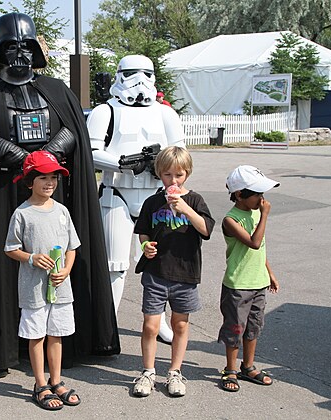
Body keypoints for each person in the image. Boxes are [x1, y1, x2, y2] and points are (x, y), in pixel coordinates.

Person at [0, 12, 120, 378]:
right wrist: (17, 156)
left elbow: (74, 132)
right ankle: (3, 345)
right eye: (12, 47)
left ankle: (58, 342)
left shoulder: (57, 91)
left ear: (36, 50)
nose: (20, 54)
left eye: (27, 46)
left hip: (51, 192)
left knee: (52, 259)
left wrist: (47, 156)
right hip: (3, 196)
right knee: (6, 262)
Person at [87, 55, 185, 343]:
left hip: (157, 195)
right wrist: (123, 163)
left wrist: (160, 165)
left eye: (146, 73)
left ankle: (159, 322)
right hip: (117, 192)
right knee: (114, 265)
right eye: (132, 73)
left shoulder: (165, 113)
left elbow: (180, 152)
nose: (139, 80)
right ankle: (106, 325)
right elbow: (91, 152)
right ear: (119, 75)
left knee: (160, 262)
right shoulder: (105, 111)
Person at [131, 146, 215, 398]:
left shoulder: (195, 200)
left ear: (187, 173)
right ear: (159, 174)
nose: (173, 180)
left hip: (185, 275)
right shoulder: (152, 202)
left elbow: (206, 230)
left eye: (179, 175)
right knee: (150, 326)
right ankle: (148, 372)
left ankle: (175, 372)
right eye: (167, 175)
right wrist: (145, 246)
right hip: (156, 273)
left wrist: (185, 208)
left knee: (179, 325)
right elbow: (143, 232)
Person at [4, 151, 82, 410]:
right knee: (36, 336)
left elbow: (72, 247)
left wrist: (66, 270)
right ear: (30, 182)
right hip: (33, 288)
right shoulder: (22, 213)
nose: (50, 183)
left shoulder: (62, 211)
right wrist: (31, 258)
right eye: (44, 178)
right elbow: (10, 248)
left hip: (60, 287)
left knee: (56, 334)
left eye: (54, 178)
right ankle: (40, 385)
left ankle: (56, 381)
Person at [218, 165, 280, 392]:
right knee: (235, 329)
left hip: (258, 282)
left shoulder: (255, 213)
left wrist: (269, 273)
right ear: (239, 194)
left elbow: (261, 248)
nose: (261, 199)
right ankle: (230, 369)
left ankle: (248, 366)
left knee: (253, 327)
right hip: (238, 285)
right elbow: (254, 243)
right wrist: (264, 215)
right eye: (256, 194)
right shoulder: (231, 220)